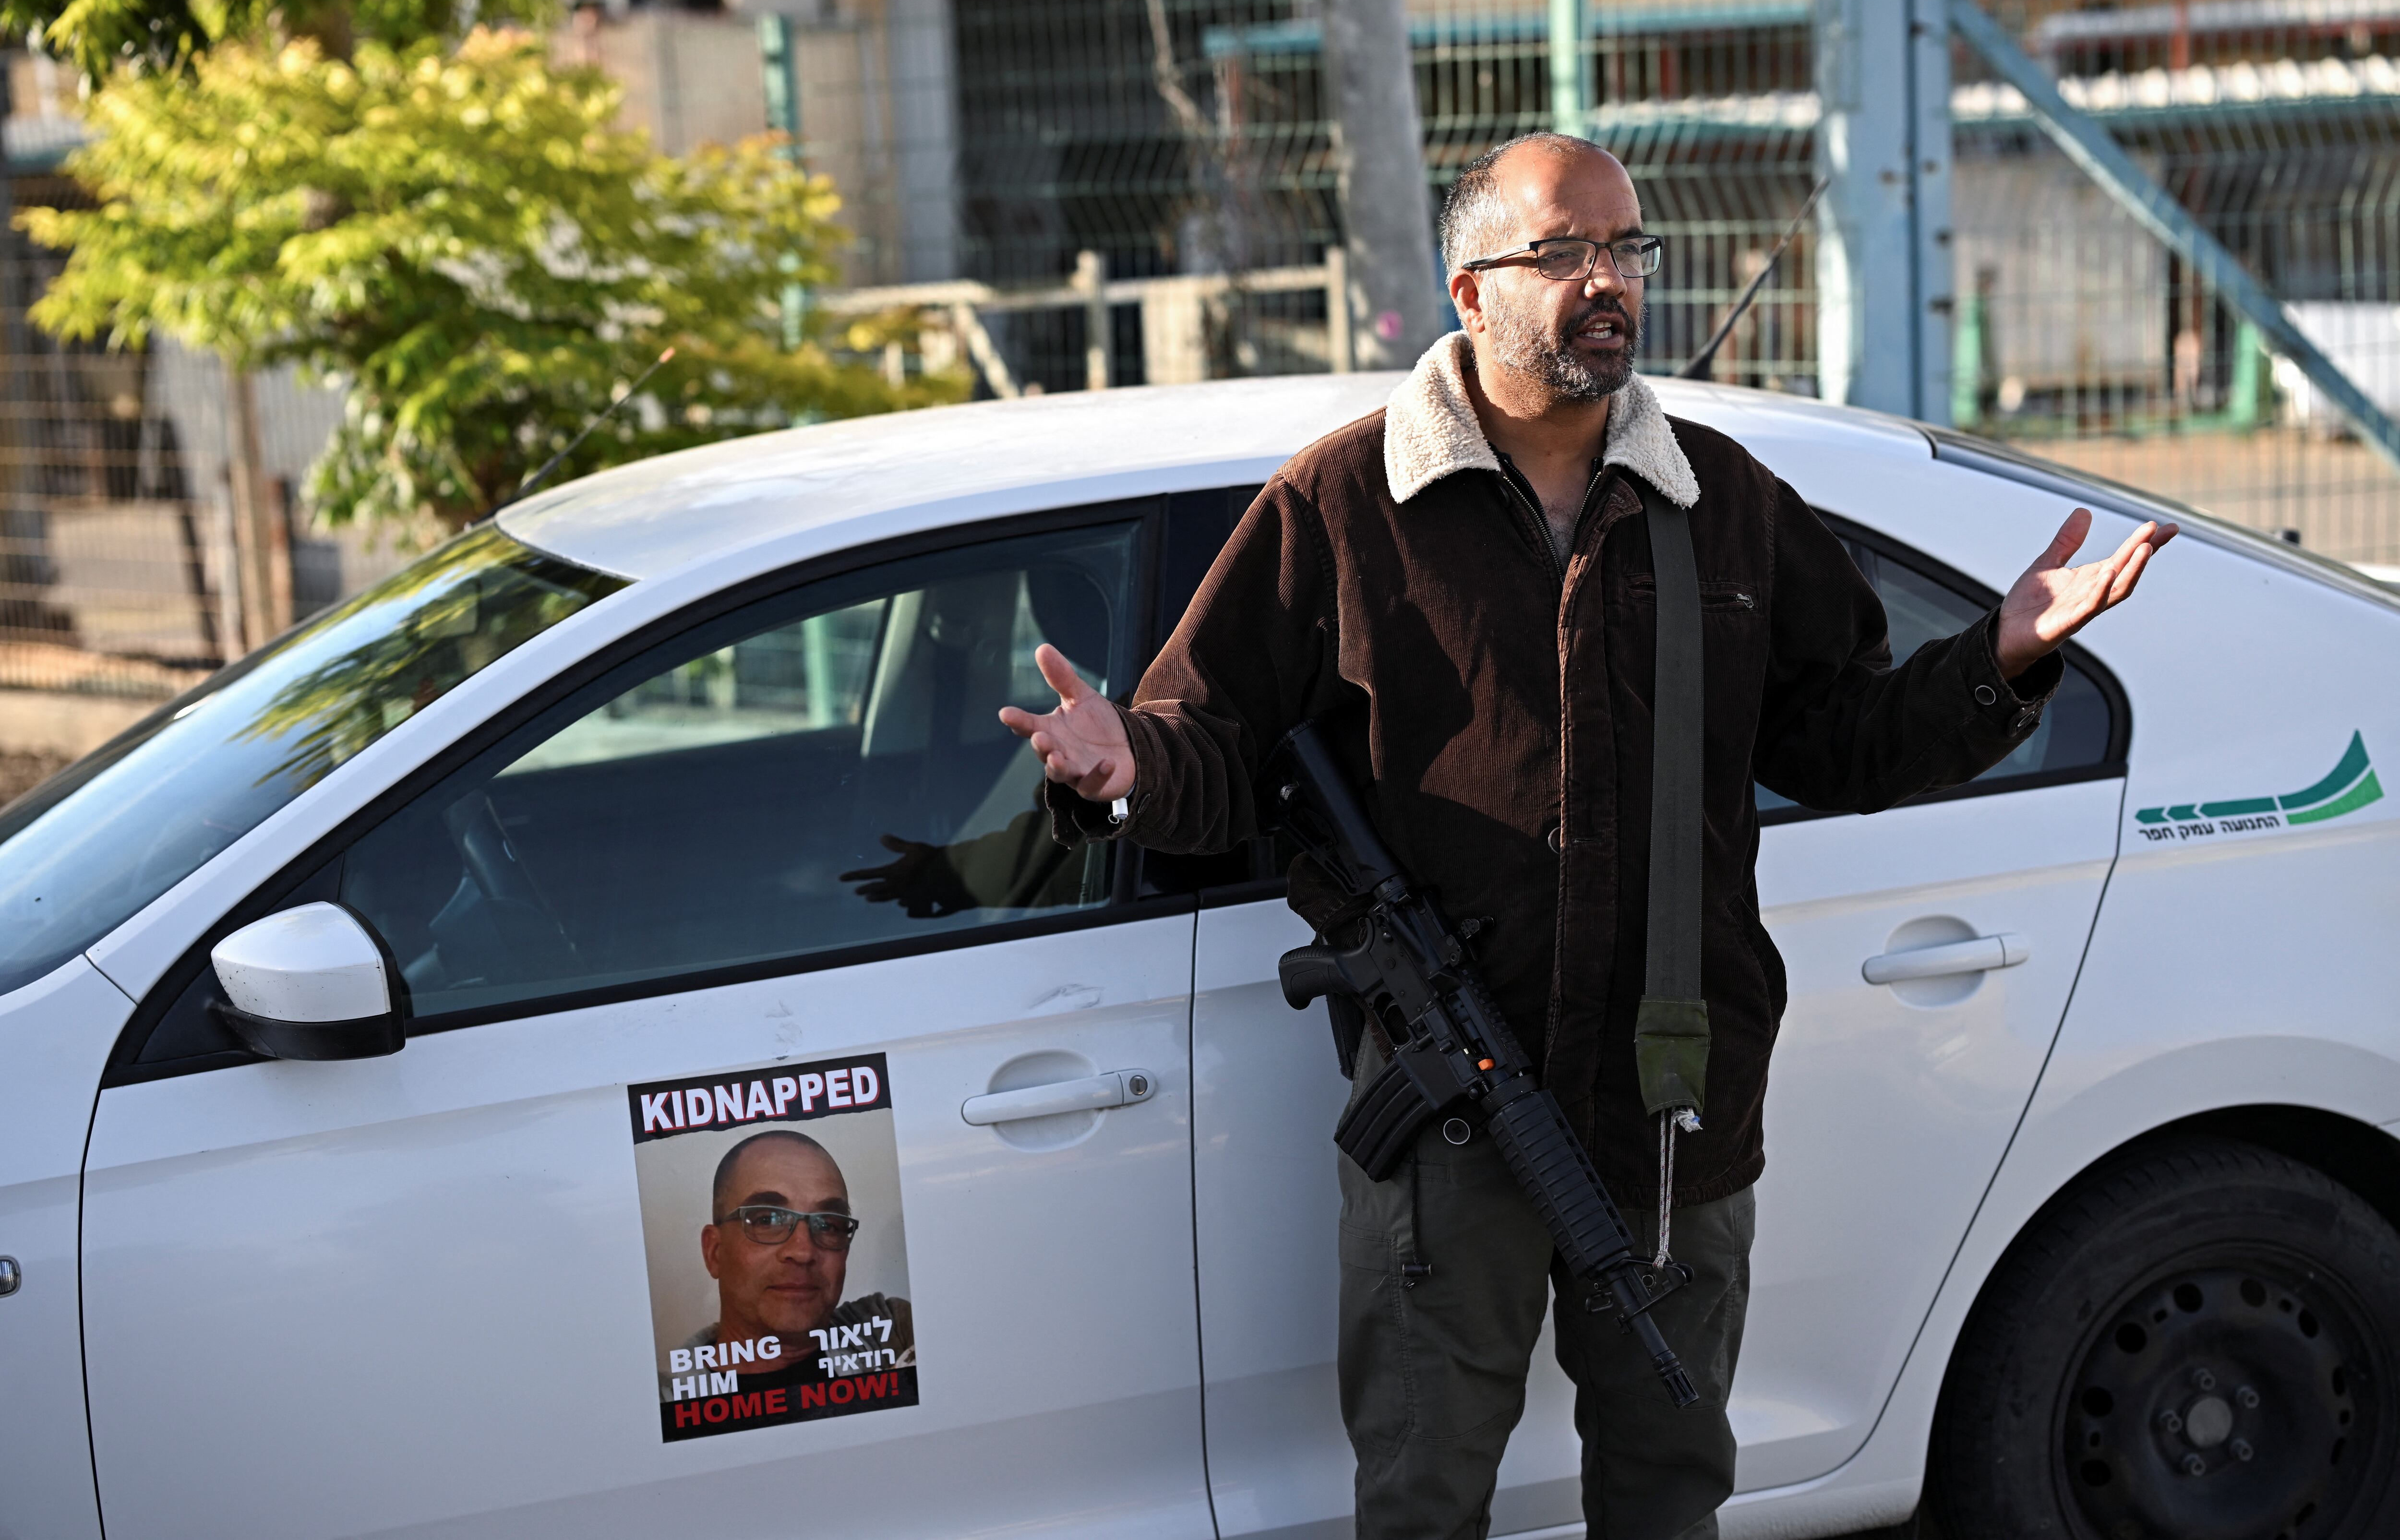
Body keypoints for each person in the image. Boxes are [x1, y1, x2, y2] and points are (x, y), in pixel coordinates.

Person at [999, 132, 2175, 1540]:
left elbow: (1843, 738)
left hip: (1675, 1093)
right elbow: (1214, 748)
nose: (1607, 280)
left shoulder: (1721, 502)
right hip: (1443, 1107)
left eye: (1627, 249)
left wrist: (1998, 655)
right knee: (1423, 1491)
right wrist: (1119, 762)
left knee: (1669, 1484)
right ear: (1469, 288)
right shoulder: (1340, 503)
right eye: (1565, 252)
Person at [664, 1129, 913, 1399]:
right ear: (715, 1252)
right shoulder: (654, 1411)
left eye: (828, 1225)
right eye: (767, 1220)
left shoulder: (892, 1332)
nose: (804, 1251)